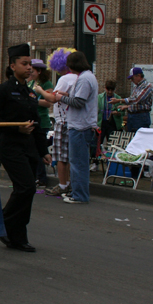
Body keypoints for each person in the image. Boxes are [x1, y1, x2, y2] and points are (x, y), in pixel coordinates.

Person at [0, 44, 51, 252]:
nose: (29, 67)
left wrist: (44, 151)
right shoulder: (3, 90)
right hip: (10, 146)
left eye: (30, 64)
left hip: (29, 148)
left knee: (27, 192)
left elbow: (37, 123)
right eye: (24, 64)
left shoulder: (30, 93)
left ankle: (18, 236)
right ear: (12, 66)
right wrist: (16, 128)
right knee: (26, 187)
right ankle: (2, 223)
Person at [54, 51, 98, 204]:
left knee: (78, 163)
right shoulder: (87, 77)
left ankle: (79, 195)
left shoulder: (85, 79)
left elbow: (79, 102)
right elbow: (79, 98)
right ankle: (78, 192)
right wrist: (67, 94)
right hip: (81, 125)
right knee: (79, 162)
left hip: (80, 126)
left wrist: (61, 98)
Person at [36, 47, 76, 197]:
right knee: (72, 156)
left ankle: (63, 184)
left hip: (62, 121)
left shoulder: (65, 79)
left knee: (60, 156)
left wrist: (40, 91)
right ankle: (71, 184)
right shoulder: (79, 78)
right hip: (73, 121)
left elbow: (52, 98)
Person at [28, 59, 53, 187]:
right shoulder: (32, 82)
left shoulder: (46, 84)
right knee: (31, 151)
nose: (30, 73)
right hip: (31, 120)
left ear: (39, 71)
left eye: (32, 71)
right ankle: (33, 177)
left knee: (39, 151)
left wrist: (33, 101)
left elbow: (48, 102)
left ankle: (42, 178)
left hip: (41, 121)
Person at [111, 67, 153, 132]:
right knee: (131, 137)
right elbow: (136, 103)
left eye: (132, 78)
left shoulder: (147, 86)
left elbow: (136, 99)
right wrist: (126, 107)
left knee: (139, 137)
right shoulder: (136, 87)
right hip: (132, 116)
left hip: (141, 117)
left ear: (138, 76)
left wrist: (119, 100)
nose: (132, 81)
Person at [98, 80, 124, 146]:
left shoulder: (118, 98)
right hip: (101, 123)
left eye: (112, 90)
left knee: (112, 143)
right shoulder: (100, 97)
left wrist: (117, 112)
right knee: (98, 143)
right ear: (105, 88)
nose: (110, 92)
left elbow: (121, 111)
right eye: (108, 89)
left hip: (112, 123)